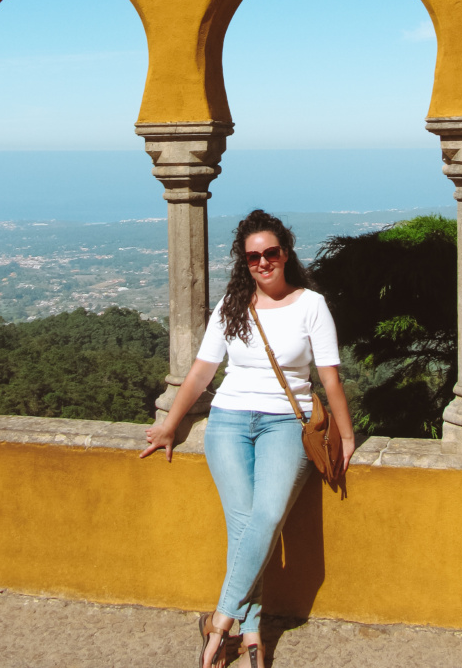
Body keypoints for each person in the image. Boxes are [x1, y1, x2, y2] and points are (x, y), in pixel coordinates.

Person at [141, 209, 355, 668]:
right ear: (244, 260)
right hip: (229, 421)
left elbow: (329, 378)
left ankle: (219, 621)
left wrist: (348, 434)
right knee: (243, 524)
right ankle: (252, 631)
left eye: (270, 253)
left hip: (284, 422)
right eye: (253, 256)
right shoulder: (232, 305)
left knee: (267, 514)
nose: (262, 262)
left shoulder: (310, 304)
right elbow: (201, 373)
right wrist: (168, 424)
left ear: (286, 253)